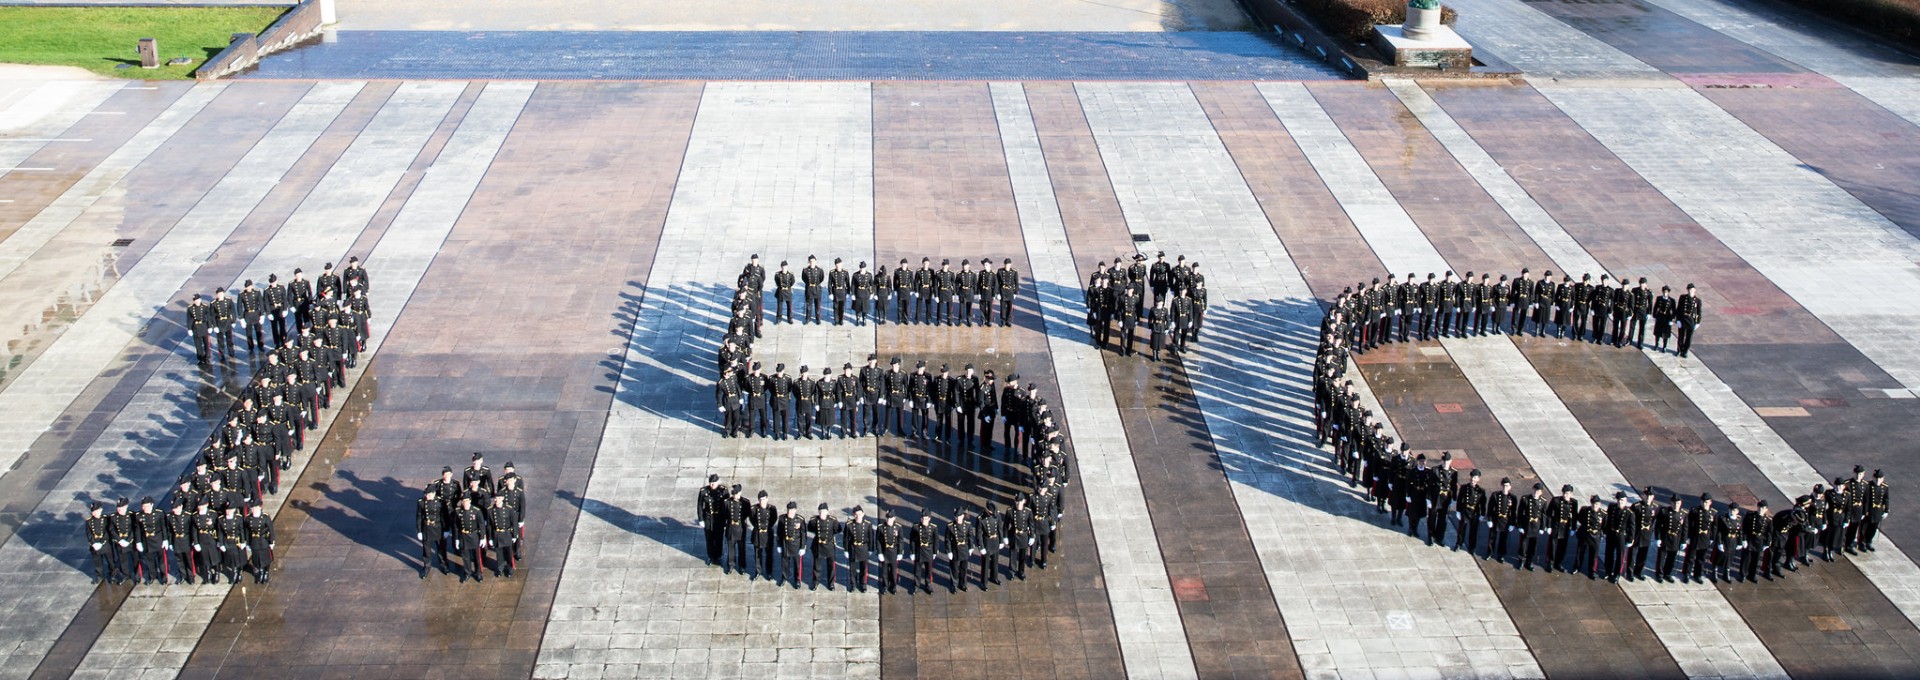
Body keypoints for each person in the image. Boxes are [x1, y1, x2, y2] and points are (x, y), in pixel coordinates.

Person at [807, 503, 840, 590]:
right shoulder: (814, 520)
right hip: (818, 545)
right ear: (818, 512)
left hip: (829, 545)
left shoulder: (833, 520)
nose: (822, 513)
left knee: (831, 566)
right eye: (820, 512)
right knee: (817, 565)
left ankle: (831, 583)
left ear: (827, 512)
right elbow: (810, 528)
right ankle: (816, 581)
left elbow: (837, 529)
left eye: (824, 512)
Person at [453, 495, 486, 581]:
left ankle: (478, 573)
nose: (465, 503)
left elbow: (481, 525)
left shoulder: (476, 511)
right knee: (465, 557)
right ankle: (467, 572)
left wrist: (482, 537)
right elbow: (456, 526)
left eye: (467, 501)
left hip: (474, 536)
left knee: (476, 557)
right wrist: (456, 539)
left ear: (470, 501)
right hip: (463, 536)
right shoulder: (458, 511)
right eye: (464, 501)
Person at [486, 495, 519, 578]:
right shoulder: (490, 510)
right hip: (497, 534)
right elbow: (489, 526)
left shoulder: (508, 509)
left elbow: (514, 523)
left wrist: (515, 535)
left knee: (508, 553)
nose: (497, 500)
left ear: (503, 499)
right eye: (496, 498)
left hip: (506, 533)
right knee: (499, 554)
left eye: (499, 498)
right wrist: (490, 538)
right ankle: (500, 568)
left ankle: (509, 568)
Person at [417, 488, 448, 578]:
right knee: (426, 550)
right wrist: (419, 531)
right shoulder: (421, 503)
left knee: (441, 549)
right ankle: (426, 567)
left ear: (434, 493)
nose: (427, 496)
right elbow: (419, 517)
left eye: (429, 494)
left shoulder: (440, 502)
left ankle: (444, 566)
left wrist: (446, 529)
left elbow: (444, 517)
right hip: (426, 528)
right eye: (426, 494)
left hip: (438, 528)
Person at [777, 502, 807, 588]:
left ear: (795, 510)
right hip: (785, 544)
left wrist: (803, 547)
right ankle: (784, 577)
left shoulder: (800, 519)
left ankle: (797, 580)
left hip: (796, 545)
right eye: (788, 510)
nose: (790, 512)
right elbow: (779, 532)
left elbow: (803, 534)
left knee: (797, 564)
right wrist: (779, 545)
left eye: (792, 510)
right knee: (785, 563)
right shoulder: (782, 518)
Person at [876, 511, 906, 594]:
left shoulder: (898, 527)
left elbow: (901, 541)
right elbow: (878, 541)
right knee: (884, 571)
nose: (889, 520)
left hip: (894, 552)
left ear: (894, 518)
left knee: (893, 571)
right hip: (885, 551)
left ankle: (893, 586)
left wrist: (900, 552)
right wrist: (879, 552)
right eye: (887, 518)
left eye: (890, 518)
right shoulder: (881, 527)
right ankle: (885, 586)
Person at [244, 503, 275, 584]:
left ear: (259, 508)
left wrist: (271, 542)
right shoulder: (248, 518)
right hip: (254, 541)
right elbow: (247, 531)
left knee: (266, 558)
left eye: (255, 508)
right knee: (256, 558)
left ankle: (266, 573)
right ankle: (260, 572)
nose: (253, 510)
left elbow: (271, 530)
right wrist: (247, 543)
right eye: (252, 508)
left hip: (263, 541)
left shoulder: (265, 518)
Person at [946, 509, 975, 592]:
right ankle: (954, 584)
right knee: (954, 568)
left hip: (964, 549)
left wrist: (971, 547)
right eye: (956, 517)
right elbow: (947, 539)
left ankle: (963, 584)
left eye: (959, 516)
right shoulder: (950, 526)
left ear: (962, 516)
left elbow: (970, 537)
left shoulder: (968, 525)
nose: (957, 518)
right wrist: (949, 551)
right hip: (955, 549)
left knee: (963, 568)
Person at [84, 502, 112, 585]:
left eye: (96, 511)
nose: (94, 513)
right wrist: (93, 543)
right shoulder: (89, 521)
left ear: (101, 510)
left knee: (110, 561)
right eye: (93, 511)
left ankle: (113, 574)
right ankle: (99, 575)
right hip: (95, 545)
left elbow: (107, 532)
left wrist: (102, 542)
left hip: (105, 544)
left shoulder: (106, 519)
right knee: (97, 562)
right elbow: (89, 534)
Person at [911, 514, 939, 593]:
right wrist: (912, 552)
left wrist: (935, 551)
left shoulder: (933, 527)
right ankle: (916, 585)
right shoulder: (916, 527)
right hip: (919, 551)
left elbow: (936, 540)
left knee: (929, 570)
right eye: (923, 518)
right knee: (917, 570)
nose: (924, 520)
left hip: (929, 551)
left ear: (929, 519)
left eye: (926, 519)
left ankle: (928, 585)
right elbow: (912, 540)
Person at [1651, 286, 1676, 352]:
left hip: (1667, 317)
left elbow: (1674, 311)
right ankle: (1656, 344)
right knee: (1657, 332)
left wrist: (1672, 319)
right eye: (1664, 292)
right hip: (1660, 316)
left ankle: (1664, 346)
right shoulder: (1659, 298)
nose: (1665, 293)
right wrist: (1654, 316)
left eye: (1666, 292)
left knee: (1665, 333)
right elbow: (1655, 307)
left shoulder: (1672, 300)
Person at [801, 256, 825, 324]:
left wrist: (816, 284)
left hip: (817, 289)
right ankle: (808, 318)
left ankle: (818, 319)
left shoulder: (820, 270)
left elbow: (821, 278)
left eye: (813, 261)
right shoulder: (805, 270)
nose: (812, 263)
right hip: (809, 289)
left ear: (815, 261)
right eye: (810, 261)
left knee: (818, 305)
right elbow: (804, 278)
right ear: (808, 262)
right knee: (808, 305)